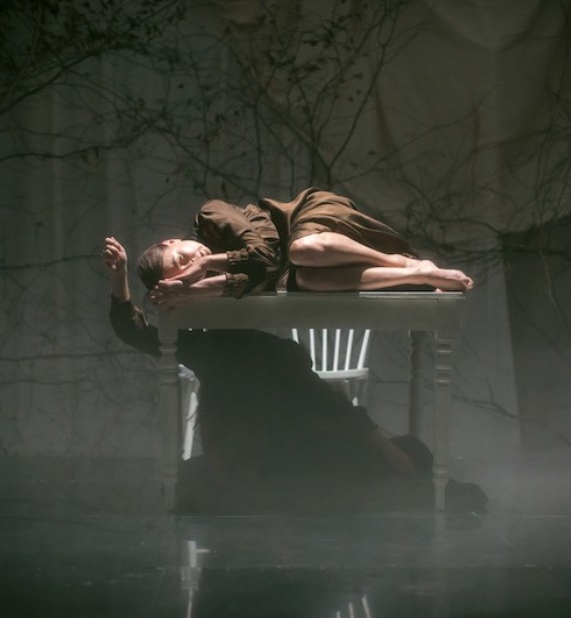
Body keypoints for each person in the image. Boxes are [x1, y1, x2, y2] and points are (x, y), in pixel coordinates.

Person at [102, 237, 477, 514]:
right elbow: (135, 330)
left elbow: (320, 399)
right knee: (376, 473)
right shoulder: (203, 343)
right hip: (258, 447)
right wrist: (120, 280)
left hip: (295, 429)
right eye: (183, 267)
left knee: (403, 457)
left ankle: (378, 460)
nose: (195, 262)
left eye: (190, 254)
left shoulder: (242, 271)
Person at [125, 187, 474, 306]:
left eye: (182, 258)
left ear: (171, 241)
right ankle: (416, 275)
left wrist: (204, 267)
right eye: (185, 274)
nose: (193, 264)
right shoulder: (224, 277)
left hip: (309, 220)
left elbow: (266, 256)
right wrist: (190, 291)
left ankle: (398, 261)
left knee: (301, 251)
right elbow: (266, 278)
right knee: (307, 281)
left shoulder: (210, 215)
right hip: (298, 265)